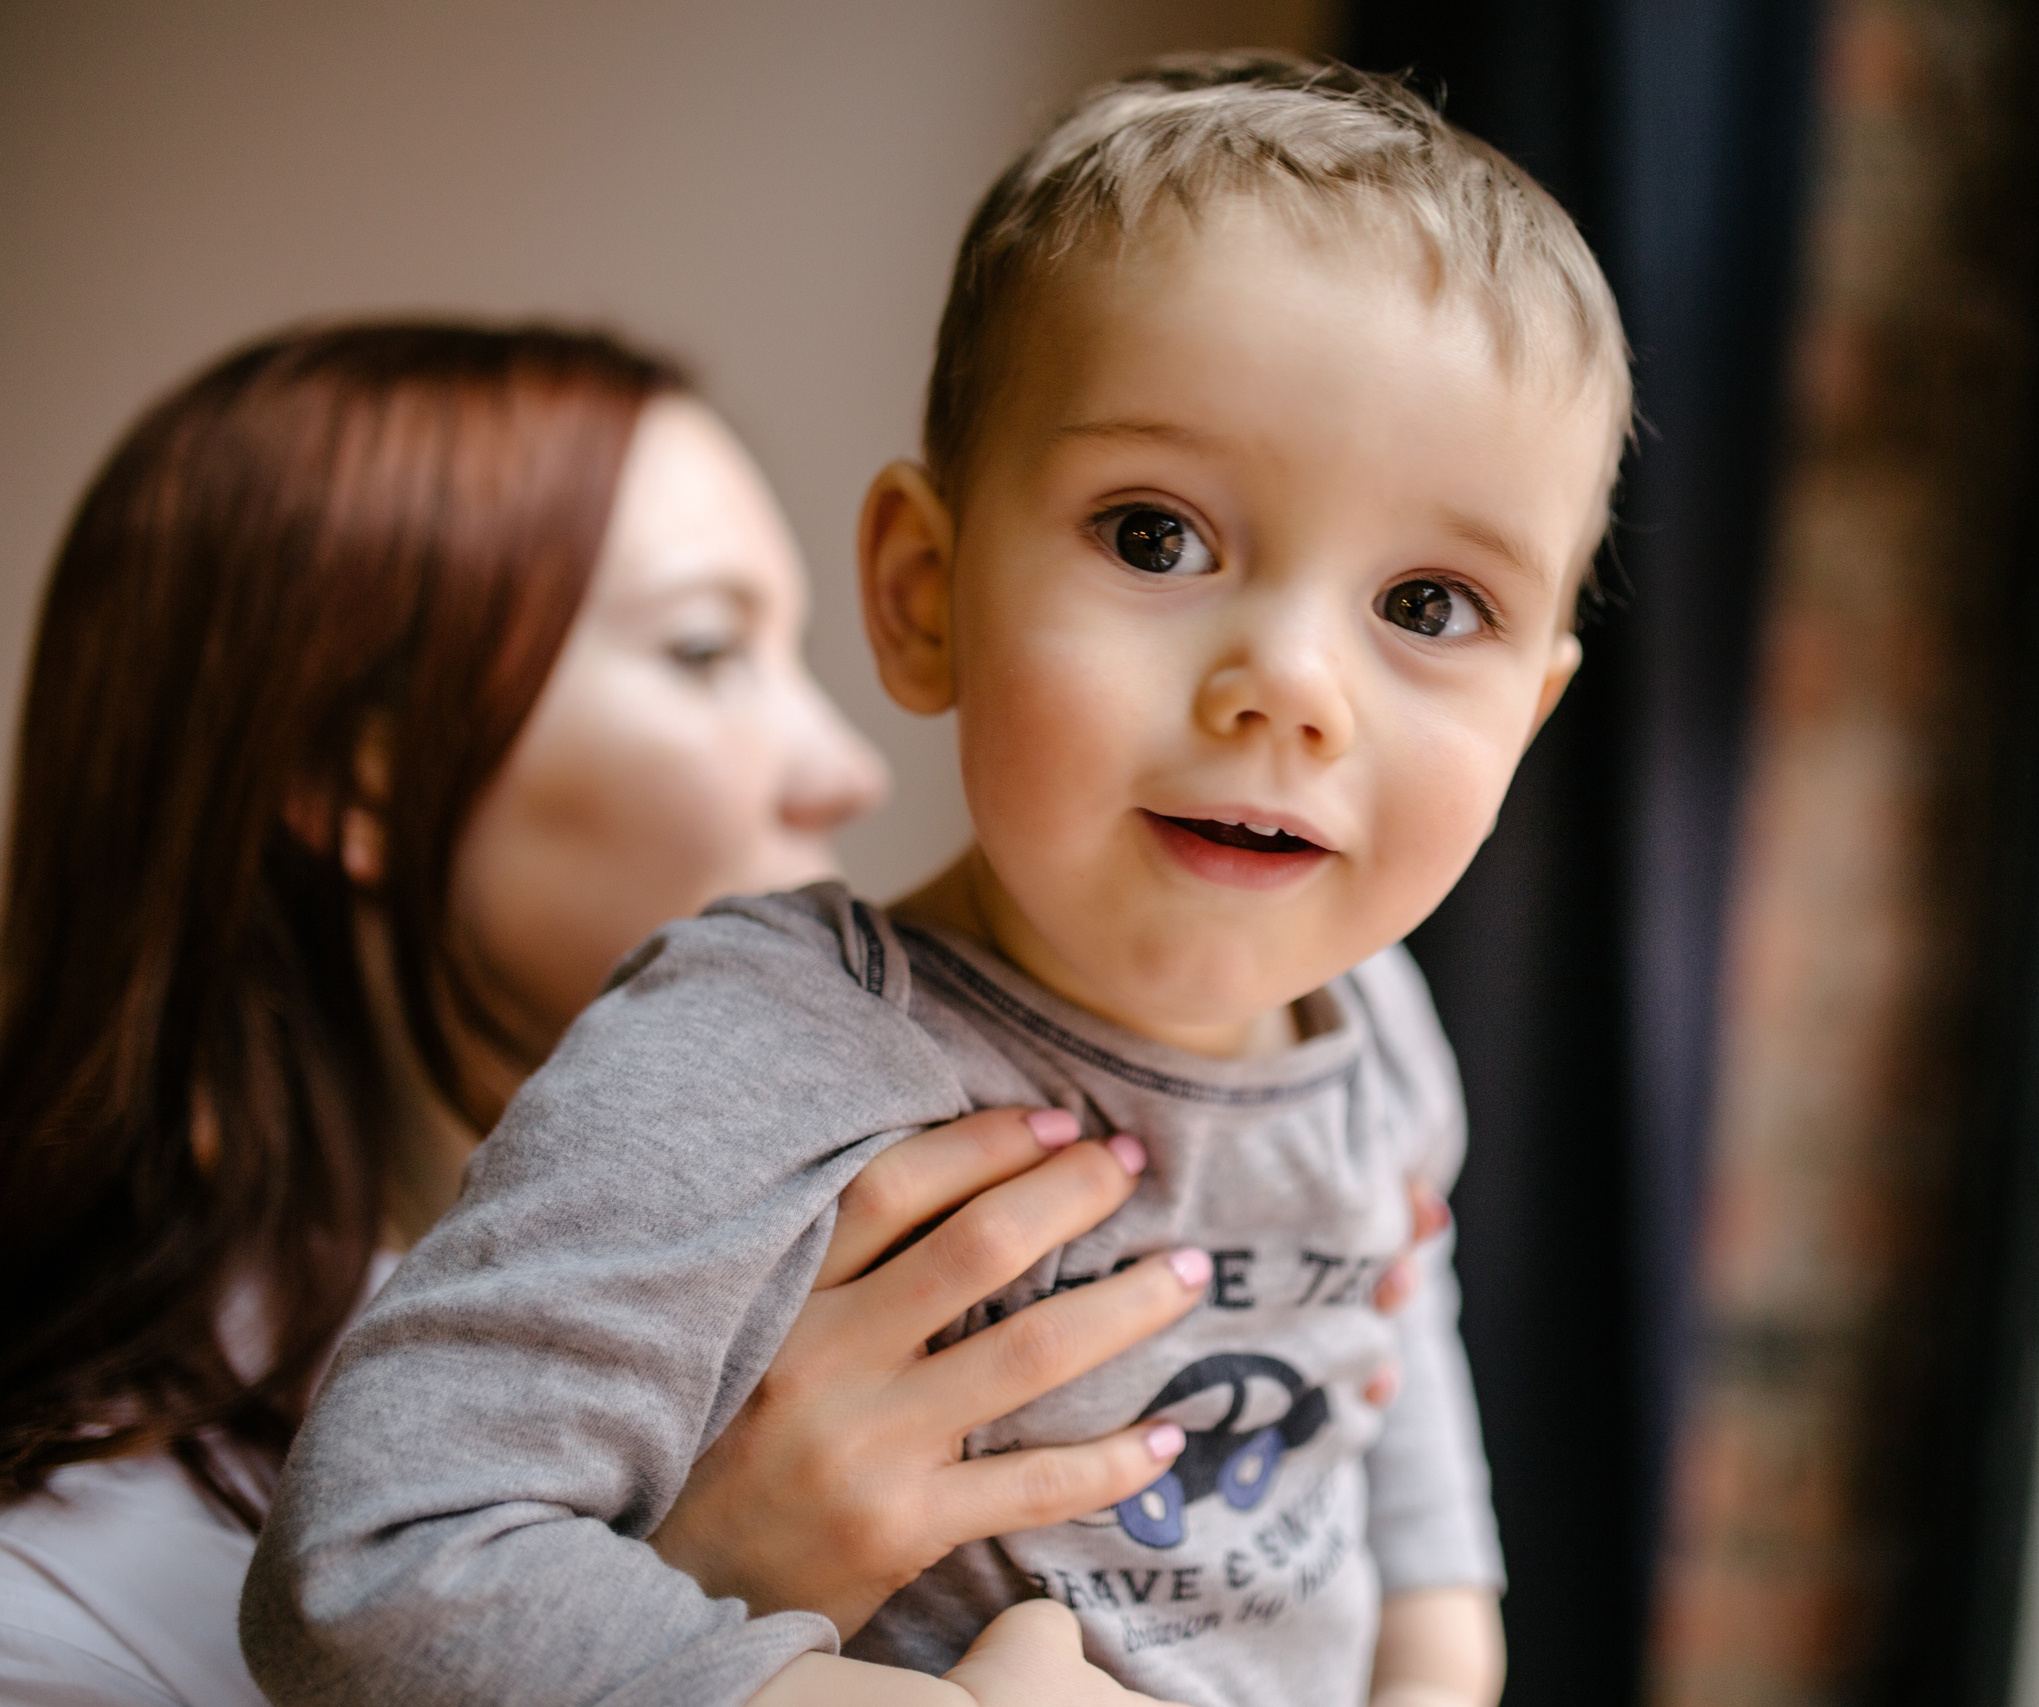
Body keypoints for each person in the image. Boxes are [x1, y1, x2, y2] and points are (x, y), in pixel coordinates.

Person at [247, 53, 1628, 1707]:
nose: (1292, 686)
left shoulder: (1376, 1026)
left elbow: (1397, 1419)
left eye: (1428, 606)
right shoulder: (750, 1054)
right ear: (923, 593)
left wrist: (1437, 1671)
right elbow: (370, 1571)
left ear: (1528, 719)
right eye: (1156, 536)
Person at [0, 323, 1318, 1706]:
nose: (846, 770)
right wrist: (714, 1587)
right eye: (704, 652)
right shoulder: (57, 1609)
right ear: (360, 775)